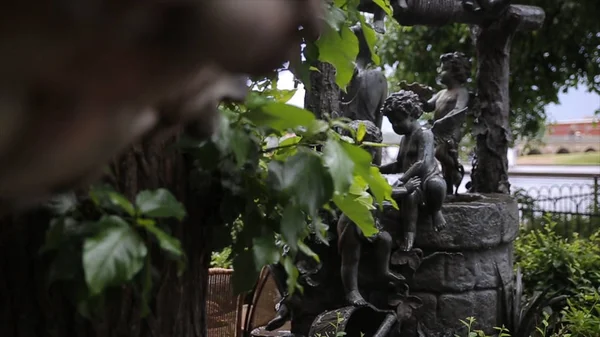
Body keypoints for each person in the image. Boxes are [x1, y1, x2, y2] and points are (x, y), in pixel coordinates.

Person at [379, 90, 447, 252]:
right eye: (392, 122)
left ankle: (436, 211)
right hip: (413, 183)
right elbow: (398, 164)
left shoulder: (425, 134)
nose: (395, 126)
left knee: (436, 185)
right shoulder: (404, 139)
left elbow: (422, 162)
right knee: (409, 197)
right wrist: (378, 170)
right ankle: (409, 237)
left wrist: (402, 180)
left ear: (411, 115)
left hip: (428, 179)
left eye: (398, 120)